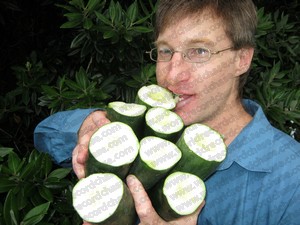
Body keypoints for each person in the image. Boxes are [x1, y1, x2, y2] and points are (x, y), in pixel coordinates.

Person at [71, 0, 300, 224]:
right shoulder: (147, 132)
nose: (172, 75)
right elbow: (48, 132)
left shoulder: (291, 179)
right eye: (165, 51)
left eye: (199, 51)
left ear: (242, 59)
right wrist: (86, 124)